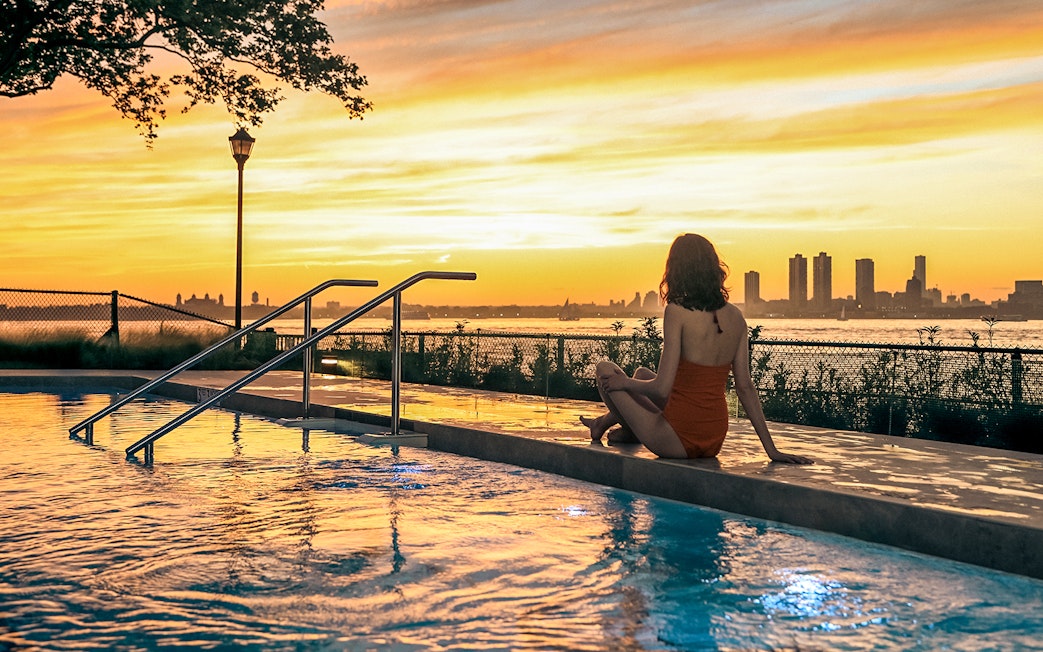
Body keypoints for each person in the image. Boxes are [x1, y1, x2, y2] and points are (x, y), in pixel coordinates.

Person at [580, 234, 813, 464]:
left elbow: (661, 389)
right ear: (713, 268)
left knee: (605, 370)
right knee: (642, 374)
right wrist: (771, 450)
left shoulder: (677, 311)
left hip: (677, 438)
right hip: (713, 438)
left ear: (677, 269)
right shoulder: (736, 317)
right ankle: (608, 424)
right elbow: (745, 387)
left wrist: (623, 383)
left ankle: (624, 429)